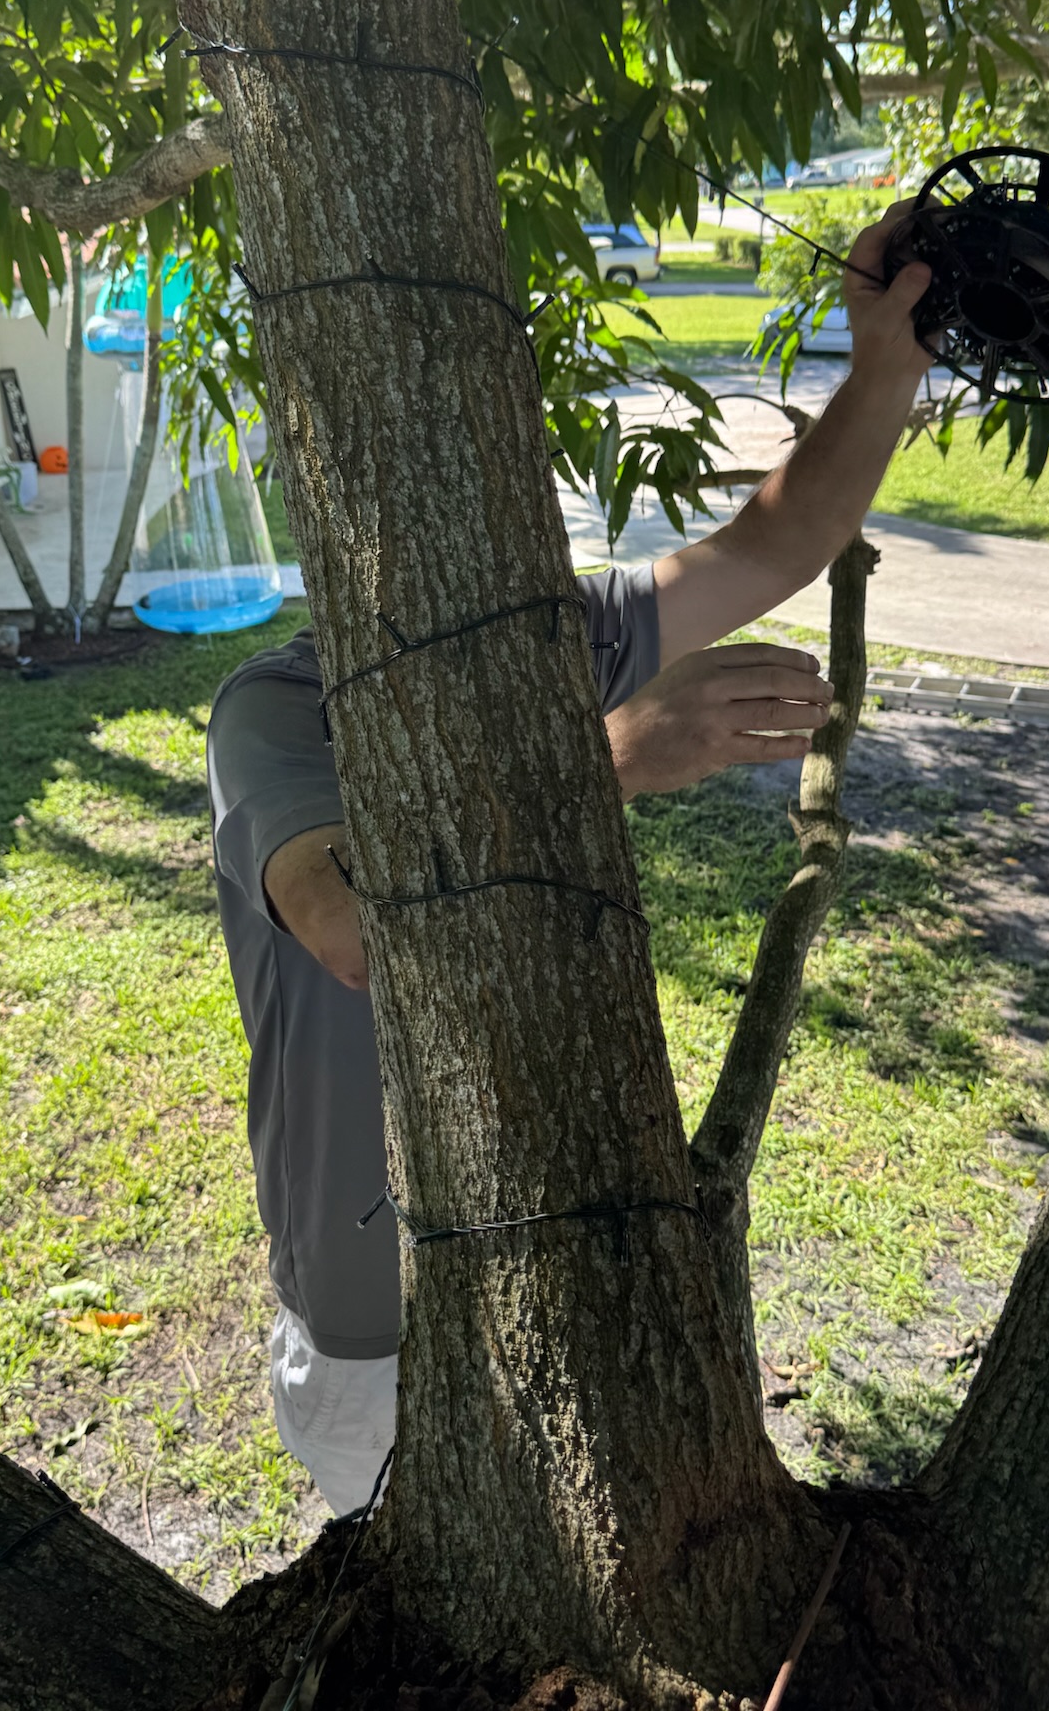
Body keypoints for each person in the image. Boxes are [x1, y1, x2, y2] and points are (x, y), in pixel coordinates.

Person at [205, 211, 931, 1515]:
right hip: (386, 1332)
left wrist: (884, 364)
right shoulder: (279, 707)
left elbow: (773, 546)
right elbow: (349, 925)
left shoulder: (550, 632)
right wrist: (606, 758)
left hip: (562, 1269)